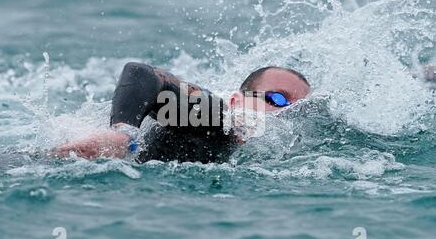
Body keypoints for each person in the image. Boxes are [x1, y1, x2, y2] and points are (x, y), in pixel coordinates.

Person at [53, 62, 311, 163]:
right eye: (276, 99)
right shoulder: (214, 114)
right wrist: (123, 134)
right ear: (236, 101)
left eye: (296, 109)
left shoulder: (282, 156)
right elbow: (140, 72)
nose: (284, 113)